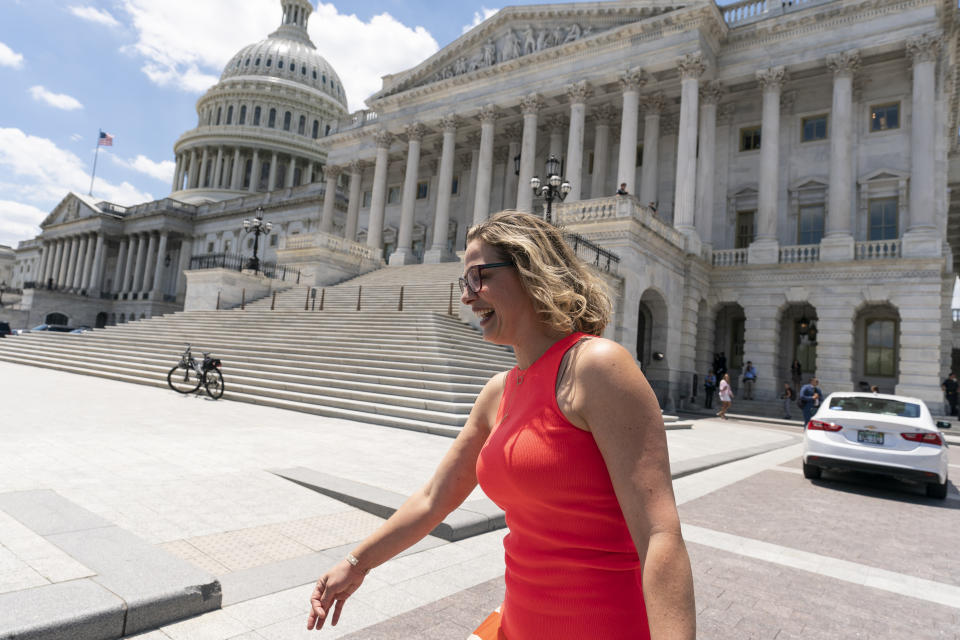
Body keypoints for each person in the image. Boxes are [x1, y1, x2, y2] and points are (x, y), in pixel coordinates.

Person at [306, 211, 696, 639]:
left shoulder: (596, 367)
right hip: (517, 625)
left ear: (531, 270)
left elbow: (660, 534)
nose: (467, 297)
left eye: (479, 277)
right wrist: (356, 564)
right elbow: (435, 497)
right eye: (463, 282)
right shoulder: (498, 391)